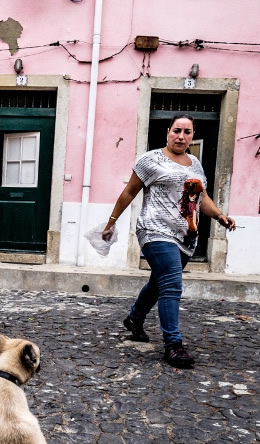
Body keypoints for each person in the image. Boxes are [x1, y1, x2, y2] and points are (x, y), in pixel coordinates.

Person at [102, 114, 236, 369]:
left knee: (158, 282)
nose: (181, 136)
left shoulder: (195, 163)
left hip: (185, 235)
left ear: (192, 136)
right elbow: (129, 192)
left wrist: (219, 215)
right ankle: (173, 344)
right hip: (155, 230)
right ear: (168, 132)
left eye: (187, 132)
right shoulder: (151, 160)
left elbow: (200, 197)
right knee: (172, 283)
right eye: (177, 130)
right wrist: (111, 221)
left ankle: (134, 318)